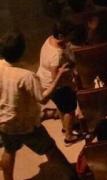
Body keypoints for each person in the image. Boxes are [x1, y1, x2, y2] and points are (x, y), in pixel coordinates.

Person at [0, 31, 74, 180]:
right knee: (51, 150)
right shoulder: (27, 76)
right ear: (22, 51)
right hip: (27, 125)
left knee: (9, 150)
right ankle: (72, 177)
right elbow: (43, 99)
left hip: (5, 122)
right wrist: (59, 76)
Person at [37, 21, 80, 145]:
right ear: (61, 36)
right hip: (55, 86)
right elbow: (56, 77)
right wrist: (71, 83)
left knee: (62, 108)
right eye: (70, 35)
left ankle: (66, 127)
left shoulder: (50, 39)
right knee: (70, 109)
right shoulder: (57, 54)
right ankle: (69, 137)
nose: (72, 37)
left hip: (44, 80)